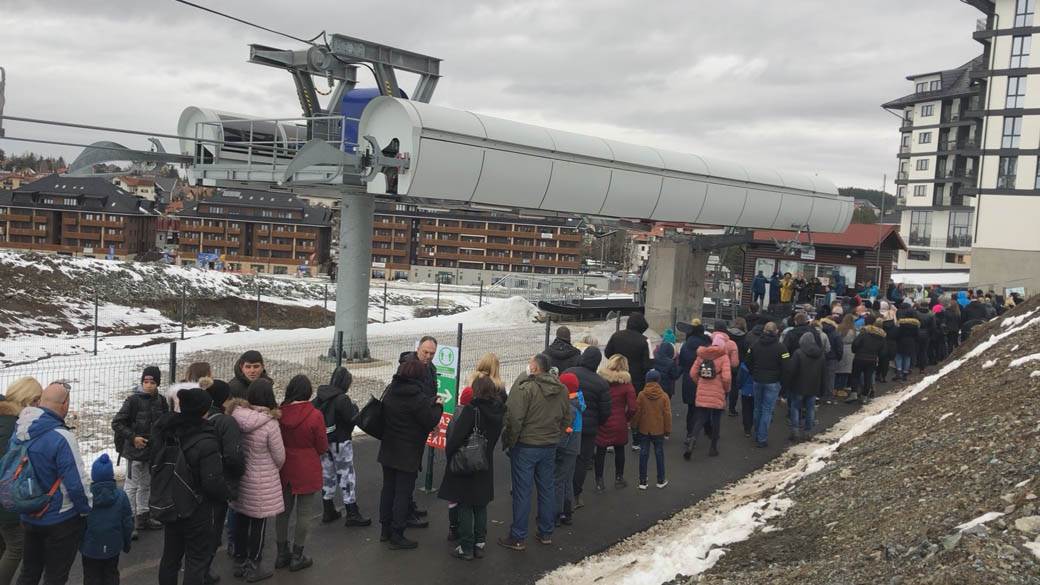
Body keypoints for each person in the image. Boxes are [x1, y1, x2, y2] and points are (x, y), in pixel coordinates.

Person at [13, 383, 91, 585]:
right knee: (55, 576)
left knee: (29, 572)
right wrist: (86, 510)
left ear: (40, 401)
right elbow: (76, 485)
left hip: (28, 513)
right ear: (65, 405)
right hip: (59, 518)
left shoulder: (20, 429)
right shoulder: (62, 437)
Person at [154, 388, 229, 585]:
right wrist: (227, 493)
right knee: (196, 560)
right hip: (197, 507)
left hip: (172, 500)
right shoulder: (207, 440)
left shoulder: (168, 430)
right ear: (203, 411)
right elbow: (212, 482)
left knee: (170, 557)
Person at [499, 354, 570, 551]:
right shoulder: (562, 389)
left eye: (530, 363)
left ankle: (518, 536)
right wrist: (556, 436)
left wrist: (510, 442)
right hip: (549, 445)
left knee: (522, 491)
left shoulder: (527, 388)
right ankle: (546, 532)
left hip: (526, 446)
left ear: (536, 368)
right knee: (546, 488)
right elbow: (567, 417)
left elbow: (514, 419)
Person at [438, 375, 505, 561]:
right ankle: (479, 543)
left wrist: (450, 454)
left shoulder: (472, 410)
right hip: (485, 462)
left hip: (467, 462)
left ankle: (466, 546)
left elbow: (456, 438)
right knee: (481, 504)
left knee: (465, 504)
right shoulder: (498, 411)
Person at [378, 358, 443, 550]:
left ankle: (385, 530)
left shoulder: (391, 391)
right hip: (408, 452)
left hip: (388, 448)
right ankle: (397, 534)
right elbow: (429, 419)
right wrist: (438, 405)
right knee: (403, 492)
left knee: (388, 489)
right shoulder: (417, 397)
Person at [227, 380, 286, 581]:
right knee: (258, 524)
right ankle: (254, 565)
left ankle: (239, 561)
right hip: (262, 481)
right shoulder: (270, 423)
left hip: (240, 477)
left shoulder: (236, 416)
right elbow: (279, 456)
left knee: (241, 520)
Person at [275, 376, 328, 572]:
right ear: (308, 392)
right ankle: (297, 555)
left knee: (283, 512)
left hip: (285, 466)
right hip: (307, 467)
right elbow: (322, 446)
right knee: (304, 514)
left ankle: (282, 553)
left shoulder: (280, 413)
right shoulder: (315, 415)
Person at [111, 366, 169, 537]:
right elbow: (117, 423)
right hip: (134, 451)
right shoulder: (133, 401)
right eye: (146, 381)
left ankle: (143, 517)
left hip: (152, 452)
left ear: (158, 383)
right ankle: (128, 522)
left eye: (152, 382)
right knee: (131, 486)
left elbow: (165, 423)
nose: (148, 385)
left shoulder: (161, 401)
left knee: (146, 484)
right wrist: (133, 438)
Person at [312, 367, 370, 528]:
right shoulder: (342, 399)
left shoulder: (319, 397)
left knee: (327, 475)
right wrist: (355, 408)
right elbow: (353, 418)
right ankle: (352, 513)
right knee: (346, 476)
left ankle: (328, 509)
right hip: (341, 442)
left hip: (324, 443)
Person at [0, 377, 42, 585]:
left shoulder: (4, 418)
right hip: (5, 498)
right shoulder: (13, 426)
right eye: (37, 400)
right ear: (28, 400)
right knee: (16, 546)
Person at [202, 379, 243, 583]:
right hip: (219, 481)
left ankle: (195, 565)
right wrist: (239, 472)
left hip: (197, 480)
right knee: (214, 527)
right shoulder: (226, 422)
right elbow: (233, 456)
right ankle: (203, 570)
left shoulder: (199, 415)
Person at [562, 347, 611, 509]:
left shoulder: (569, 372)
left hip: (567, 424)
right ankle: (576, 494)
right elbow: (605, 411)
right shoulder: (601, 383)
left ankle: (562, 491)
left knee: (564, 457)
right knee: (582, 461)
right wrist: (597, 422)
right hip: (588, 429)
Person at [80, 453, 132, 585]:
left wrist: (80, 544)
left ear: (93, 476)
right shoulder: (121, 496)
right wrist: (127, 543)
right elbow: (127, 523)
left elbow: (80, 525)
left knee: (91, 577)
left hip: (90, 548)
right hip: (113, 546)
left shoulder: (86, 498)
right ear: (111, 475)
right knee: (111, 574)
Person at [592, 355, 636, 491]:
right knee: (620, 450)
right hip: (619, 421)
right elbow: (633, 408)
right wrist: (626, 418)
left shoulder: (601, 381)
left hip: (603, 420)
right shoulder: (627, 385)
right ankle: (619, 478)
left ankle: (599, 481)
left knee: (600, 451)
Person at [745, 322, 790, 448]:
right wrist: (781, 381)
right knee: (767, 410)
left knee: (757, 408)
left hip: (757, 379)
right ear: (776, 332)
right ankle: (762, 438)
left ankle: (757, 433)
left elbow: (747, 360)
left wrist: (753, 372)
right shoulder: (781, 348)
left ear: (764, 330)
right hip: (773, 382)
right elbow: (786, 367)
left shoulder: (755, 345)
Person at [687, 334, 732, 458]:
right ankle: (713, 448)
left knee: (701, 418)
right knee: (716, 420)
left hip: (703, 390)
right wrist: (726, 389)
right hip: (718, 392)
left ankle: (692, 440)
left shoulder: (702, 355)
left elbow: (692, 373)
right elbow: (727, 378)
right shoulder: (723, 357)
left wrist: (700, 383)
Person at [553, 373, 584, 526]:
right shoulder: (578, 401)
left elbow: (565, 430)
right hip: (574, 446)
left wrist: (558, 447)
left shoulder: (568, 407)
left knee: (558, 480)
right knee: (567, 480)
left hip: (566, 447)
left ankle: (557, 513)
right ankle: (567, 512)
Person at [631, 370, 671, 489]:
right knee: (659, 454)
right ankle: (660, 480)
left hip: (644, 429)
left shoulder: (641, 395)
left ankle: (643, 481)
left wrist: (634, 426)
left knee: (644, 453)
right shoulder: (664, 396)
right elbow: (667, 415)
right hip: (659, 430)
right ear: (659, 380)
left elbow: (637, 412)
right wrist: (667, 430)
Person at [677, 320, 712, 443]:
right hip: (703, 379)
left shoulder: (685, 345)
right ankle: (707, 429)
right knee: (704, 407)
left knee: (691, 409)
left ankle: (690, 433)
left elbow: (681, 363)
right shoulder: (707, 345)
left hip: (688, 380)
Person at [785, 332, 824, 442]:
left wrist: (787, 384)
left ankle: (795, 431)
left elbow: (792, 370)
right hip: (813, 386)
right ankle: (808, 432)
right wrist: (822, 388)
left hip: (798, 386)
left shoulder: (798, 353)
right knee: (810, 409)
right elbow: (823, 372)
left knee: (795, 407)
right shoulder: (820, 354)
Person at [605, 312, 651, 396]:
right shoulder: (645, 340)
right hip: (636, 381)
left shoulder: (616, 335)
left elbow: (607, 353)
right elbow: (648, 365)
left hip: (616, 376)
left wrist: (618, 362)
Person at [847, 315, 886, 404]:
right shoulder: (881, 337)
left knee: (855, 375)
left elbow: (855, 343)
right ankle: (864, 396)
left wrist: (855, 351)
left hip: (859, 357)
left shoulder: (864, 334)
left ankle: (854, 393)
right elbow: (883, 352)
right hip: (872, 359)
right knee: (868, 377)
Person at [819, 317, 843, 405]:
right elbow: (839, 348)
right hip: (832, 358)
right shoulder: (835, 334)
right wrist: (838, 357)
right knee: (830, 378)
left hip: (820, 358)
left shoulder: (820, 333)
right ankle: (829, 397)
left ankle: (820, 395)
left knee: (821, 377)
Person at [895, 304, 921, 381]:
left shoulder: (900, 324)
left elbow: (897, 333)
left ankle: (899, 371)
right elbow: (917, 334)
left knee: (899, 356)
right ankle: (905, 372)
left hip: (901, 341)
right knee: (907, 357)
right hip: (911, 342)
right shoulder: (915, 325)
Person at [833, 315, 856, 397]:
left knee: (837, 371)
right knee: (845, 372)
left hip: (839, 349)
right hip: (849, 351)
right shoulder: (852, 331)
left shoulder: (838, 328)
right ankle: (841, 389)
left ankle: (834, 388)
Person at [915, 301, 937, 372]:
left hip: (917, 333)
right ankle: (922, 367)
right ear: (928, 306)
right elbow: (933, 327)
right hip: (926, 334)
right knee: (924, 351)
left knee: (917, 349)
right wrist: (930, 334)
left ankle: (916, 363)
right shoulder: (931, 314)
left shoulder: (916, 313)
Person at [735, 360, 755, 438]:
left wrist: (739, 387)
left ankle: (747, 429)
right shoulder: (759, 364)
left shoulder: (743, 365)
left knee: (745, 410)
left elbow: (739, 379)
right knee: (753, 410)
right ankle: (752, 425)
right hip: (755, 391)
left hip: (745, 391)